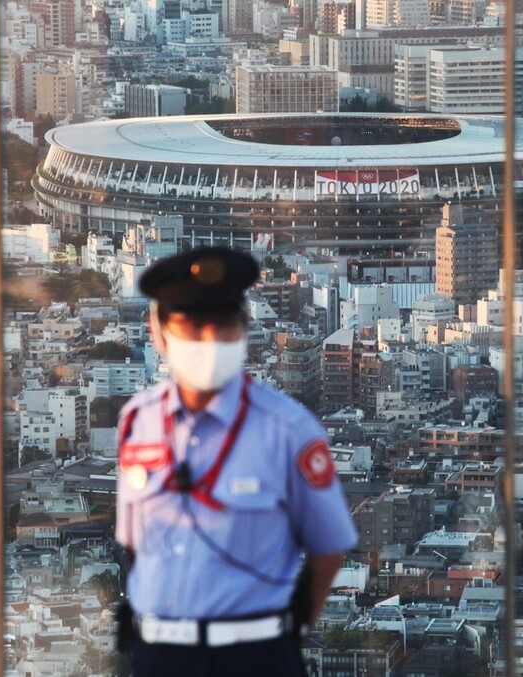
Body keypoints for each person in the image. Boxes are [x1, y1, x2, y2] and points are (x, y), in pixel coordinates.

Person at [115, 246, 357, 676]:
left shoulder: (288, 429)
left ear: (244, 328)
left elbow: (329, 550)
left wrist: (288, 632)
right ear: (157, 330)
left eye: (223, 325)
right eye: (191, 324)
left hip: (255, 653)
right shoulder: (138, 422)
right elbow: (135, 544)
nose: (208, 340)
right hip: (160, 655)